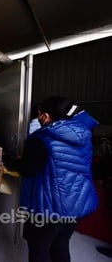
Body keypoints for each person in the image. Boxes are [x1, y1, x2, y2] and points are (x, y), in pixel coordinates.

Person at [18, 96, 99, 262]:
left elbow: (28, 170)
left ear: (46, 116)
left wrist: (16, 162)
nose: (38, 117)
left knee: (39, 249)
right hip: (78, 203)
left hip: (50, 207)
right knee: (60, 244)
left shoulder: (41, 139)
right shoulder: (84, 134)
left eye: (39, 113)